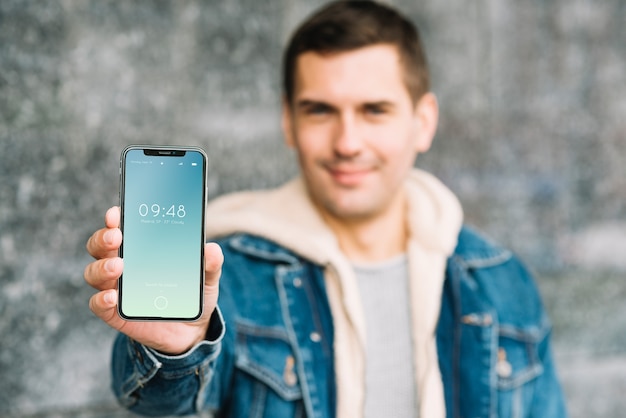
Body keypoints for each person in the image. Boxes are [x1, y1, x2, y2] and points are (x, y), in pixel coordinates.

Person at [84, 1, 568, 417]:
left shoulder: (502, 283)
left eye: (374, 110)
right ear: (288, 122)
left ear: (423, 122)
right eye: (320, 110)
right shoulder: (224, 276)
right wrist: (174, 350)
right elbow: (160, 403)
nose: (348, 143)